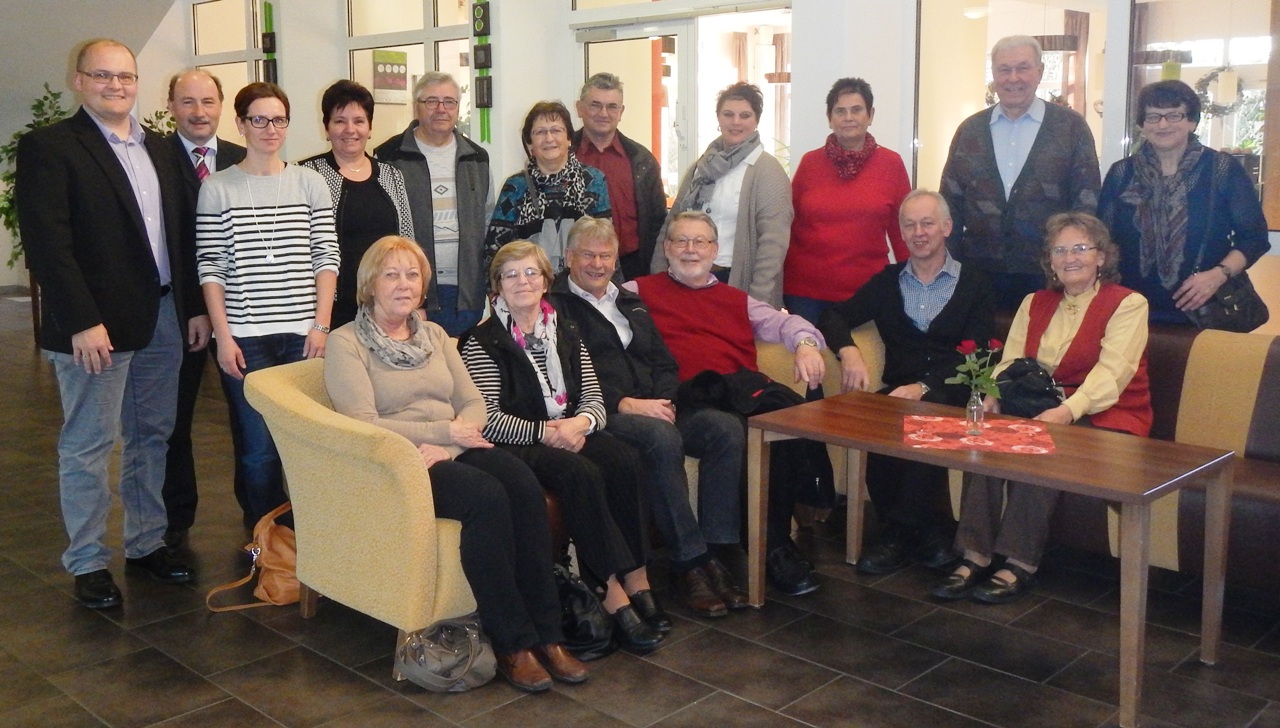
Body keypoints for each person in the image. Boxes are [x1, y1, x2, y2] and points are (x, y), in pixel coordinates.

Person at [324, 236, 585, 693]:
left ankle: (549, 634)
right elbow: (362, 424)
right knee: (484, 497)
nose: (403, 285)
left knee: (522, 483)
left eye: (412, 275)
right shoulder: (346, 343)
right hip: (397, 462)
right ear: (368, 285)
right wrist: (444, 435)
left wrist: (453, 445)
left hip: (452, 448)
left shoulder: (436, 336)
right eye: (391, 275)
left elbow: (472, 401)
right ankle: (511, 643)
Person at [16, 38, 197, 608]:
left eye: (125, 76)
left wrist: (190, 308)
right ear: (78, 80)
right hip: (95, 328)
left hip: (164, 316)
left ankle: (145, 544)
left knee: (152, 437)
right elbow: (49, 243)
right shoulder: (51, 147)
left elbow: (180, 237)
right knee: (90, 443)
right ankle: (89, 561)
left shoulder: (163, 150)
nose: (115, 85)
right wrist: (82, 320)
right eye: (102, 75)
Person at [933, 212, 1151, 604]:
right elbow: (1011, 359)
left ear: (1101, 256)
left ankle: (1020, 561)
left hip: (1106, 413)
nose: (1071, 258)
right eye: (1060, 250)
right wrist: (995, 395)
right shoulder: (1034, 302)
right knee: (986, 438)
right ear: (1049, 261)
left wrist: (1067, 412)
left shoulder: (1128, 304)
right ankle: (975, 553)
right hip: (1039, 406)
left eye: (1081, 248)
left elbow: (1112, 374)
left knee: (1040, 442)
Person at [458, 241, 665, 651]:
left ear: (546, 280)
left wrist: (582, 423)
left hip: (569, 429)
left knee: (624, 459)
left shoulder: (565, 329)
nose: (523, 281)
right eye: (511, 274)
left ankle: (638, 579)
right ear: (496, 287)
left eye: (531, 272)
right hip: (518, 441)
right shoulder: (480, 343)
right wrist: (548, 433)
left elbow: (592, 394)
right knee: (580, 472)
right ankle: (612, 595)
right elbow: (489, 420)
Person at [548, 217, 749, 618]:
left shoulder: (628, 300)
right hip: (605, 414)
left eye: (606, 255)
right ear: (569, 257)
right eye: (587, 254)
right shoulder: (555, 307)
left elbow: (663, 360)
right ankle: (688, 562)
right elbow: (569, 376)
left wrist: (666, 400)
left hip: (655, 406)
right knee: (661, 438)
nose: (597, 263)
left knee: (724, 428)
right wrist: (627, 404)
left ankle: (718, 551)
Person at [627, 210, 828, 596]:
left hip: (739, 398)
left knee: (783, 421)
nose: (690, 250)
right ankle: (719, 548)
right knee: (726, 428)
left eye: (700, 241)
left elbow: (785, 323)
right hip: (682, 405)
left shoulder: (738, 300)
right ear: (666, 248)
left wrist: (805, 345)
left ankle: (773, 547)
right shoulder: (638, 291)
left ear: (715, 250)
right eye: (681, 241)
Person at [818, 190, 995, 575]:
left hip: (953, 390)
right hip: (898, 391)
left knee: (923, 422)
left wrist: (925, 387)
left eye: (927, 223)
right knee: (875, 422)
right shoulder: (887, 282)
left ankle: (898, 534)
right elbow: (833, 315)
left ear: (946, 227)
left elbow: (976, 353)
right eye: (909, 225)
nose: (919, 233)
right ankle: (922, 533)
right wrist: (848, 351)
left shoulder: (975, 284)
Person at [196, 82, 340, 525]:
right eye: (258, 119)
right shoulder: (218, 188)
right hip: (246, 338)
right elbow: (211, 267)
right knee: (257, 451)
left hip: (303, 336)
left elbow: (326, 256)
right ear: (239, 124)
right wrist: (223, 336)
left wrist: (321, 326)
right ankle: (265, 544)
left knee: (306, 444)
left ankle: (311, 544)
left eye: (278, 119)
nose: (269, 128)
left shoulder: (310, 182)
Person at [940, 35, 1101, 311]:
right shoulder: (969, 131)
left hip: (1050, 275)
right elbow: (949, 206)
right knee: (984, 352)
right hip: (979, 274)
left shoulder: (1070, 128)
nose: (1013, 78)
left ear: (1039, 72)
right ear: (994, 75)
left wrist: (1074, 262)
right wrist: (949, 269)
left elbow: (1086, 202)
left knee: (1044, 352)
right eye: (1004, 69)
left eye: (1023, 67)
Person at [1098, 79, 1271, 326]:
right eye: (1153, 117)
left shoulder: (1220, 169)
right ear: (1142, 125)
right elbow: (1102, 240)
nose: (1163, 124)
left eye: (1174, 115)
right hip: (1130, 309)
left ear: (1192, 121)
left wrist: (1217, 275)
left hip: (1205, 311)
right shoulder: (1121, 174)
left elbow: (1254, 238)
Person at [161, 68, 246, 549]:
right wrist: (195, 307)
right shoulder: (153, 158)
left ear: (221, 108)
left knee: (248, 419)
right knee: (174, 420)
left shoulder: (242, 158)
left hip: (245, 313)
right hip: (182, 314)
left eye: (208, 102)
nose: (199, 112)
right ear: (172, 106)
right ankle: (176, 521)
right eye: (188, 102)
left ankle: (257, 515)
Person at [374, 72, 493, 336]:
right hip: (411, 291)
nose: (441, 109)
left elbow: (487, 221)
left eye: (449, 102)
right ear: (416, 106)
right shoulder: (389, 156)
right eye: (432, 101)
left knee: (464, 367)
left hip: (465, 291)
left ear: (458, 108)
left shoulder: (477, 158)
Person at [652, 82, 792, 308]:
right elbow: (672, 223)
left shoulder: (767, 170)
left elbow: (772, 247)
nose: (736, 122)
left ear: (756, 121)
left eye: (745, 115)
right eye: (728, 114)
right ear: (718, 118)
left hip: (734, 284)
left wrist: (755, 304)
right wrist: (658, 275)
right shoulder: (703, 165)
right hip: (686, 279)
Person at [784, 77, 910, 326]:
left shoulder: (891, 164)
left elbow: (902, 230)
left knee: (863, 363)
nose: (848, 117)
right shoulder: (809, 163)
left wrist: (913, 282)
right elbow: (787, 222)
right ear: (830, 118)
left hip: (868, 292)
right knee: (811, 364)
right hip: (805, 293)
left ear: (870, 115)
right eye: (840, 111)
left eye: (857, 109)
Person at [301, 80, 414, 329]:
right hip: (330, 310)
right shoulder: (307, 175)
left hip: (388, 305)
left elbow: (408, 242)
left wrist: (417, 302)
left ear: (370, 127)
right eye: (340, 121)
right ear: (326, 128)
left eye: (359, 121)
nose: (349, 129)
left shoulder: (391, 175)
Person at [485, 102, 611, 275]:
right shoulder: (515, 187)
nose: (549, 138)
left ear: (569, 139)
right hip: (529, 290)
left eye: (556, 130)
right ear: (530, 145)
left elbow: (606, 242)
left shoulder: (594, 181)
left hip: (580, 289)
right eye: (540, 132)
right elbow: (495, 250)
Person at [572, 73, 667, 281]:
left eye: (612, 106)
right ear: (580, 108)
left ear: (621, 112)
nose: (603, 113)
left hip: (634, 266)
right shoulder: (564, 155)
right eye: (595, 105)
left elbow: (658, 221)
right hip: (578, 268)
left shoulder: (642, 160)